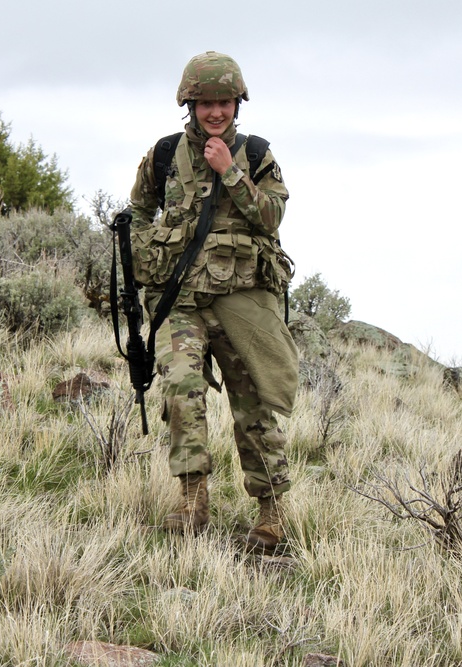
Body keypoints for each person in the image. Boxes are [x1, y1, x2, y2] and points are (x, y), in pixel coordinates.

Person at [128, 51, 299, 552]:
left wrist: (229, 172)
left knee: (254, 405)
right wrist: (145, 251)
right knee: (180, 387)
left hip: (242, 299)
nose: (216, 112)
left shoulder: (256, 153)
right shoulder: (163, 155)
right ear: (189, 104)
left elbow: (271, 217)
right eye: (205, 103)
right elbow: (137, 209)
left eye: (224, 102)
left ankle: (271, 511)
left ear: (237, 103)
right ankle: (192, 497)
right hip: (180, 301)